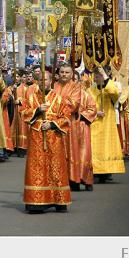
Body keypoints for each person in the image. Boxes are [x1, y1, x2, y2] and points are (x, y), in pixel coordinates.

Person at [21, 69, 72, 213]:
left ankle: (58, 200)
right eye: (41, 80)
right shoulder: (31, 98)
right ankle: (36, 202)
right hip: (37, 139)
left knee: (55, 169)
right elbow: (23, 113)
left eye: (47, 80)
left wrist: (52, 124)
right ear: (38, 82)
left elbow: (67, 118)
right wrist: (37, 110)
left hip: (54, 138)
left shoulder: (59, 99)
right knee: (37, 168)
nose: (44, 82)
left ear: (51, 81)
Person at [89, 67, 125, 182]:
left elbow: (114, 93)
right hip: (94, 123)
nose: (95, 78)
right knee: (94, 148)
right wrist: (95, 112)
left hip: (107, 123)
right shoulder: (90, 90)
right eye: (95, 76)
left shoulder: (111, 88)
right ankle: (94, 172)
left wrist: (104, 74)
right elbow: (85, 105)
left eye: (98, 75)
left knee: (107, 147)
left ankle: (106, 172)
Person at [52, 63, 82, 191]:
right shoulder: (54, 86)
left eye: (66, 72)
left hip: (68, 124)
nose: (64, 74)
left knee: (71, 151)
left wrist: (56, 104)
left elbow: (73, 105)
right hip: (53, 124)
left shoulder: (76, 87)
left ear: (71, 74)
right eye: (62, 72)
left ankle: (72, 179)